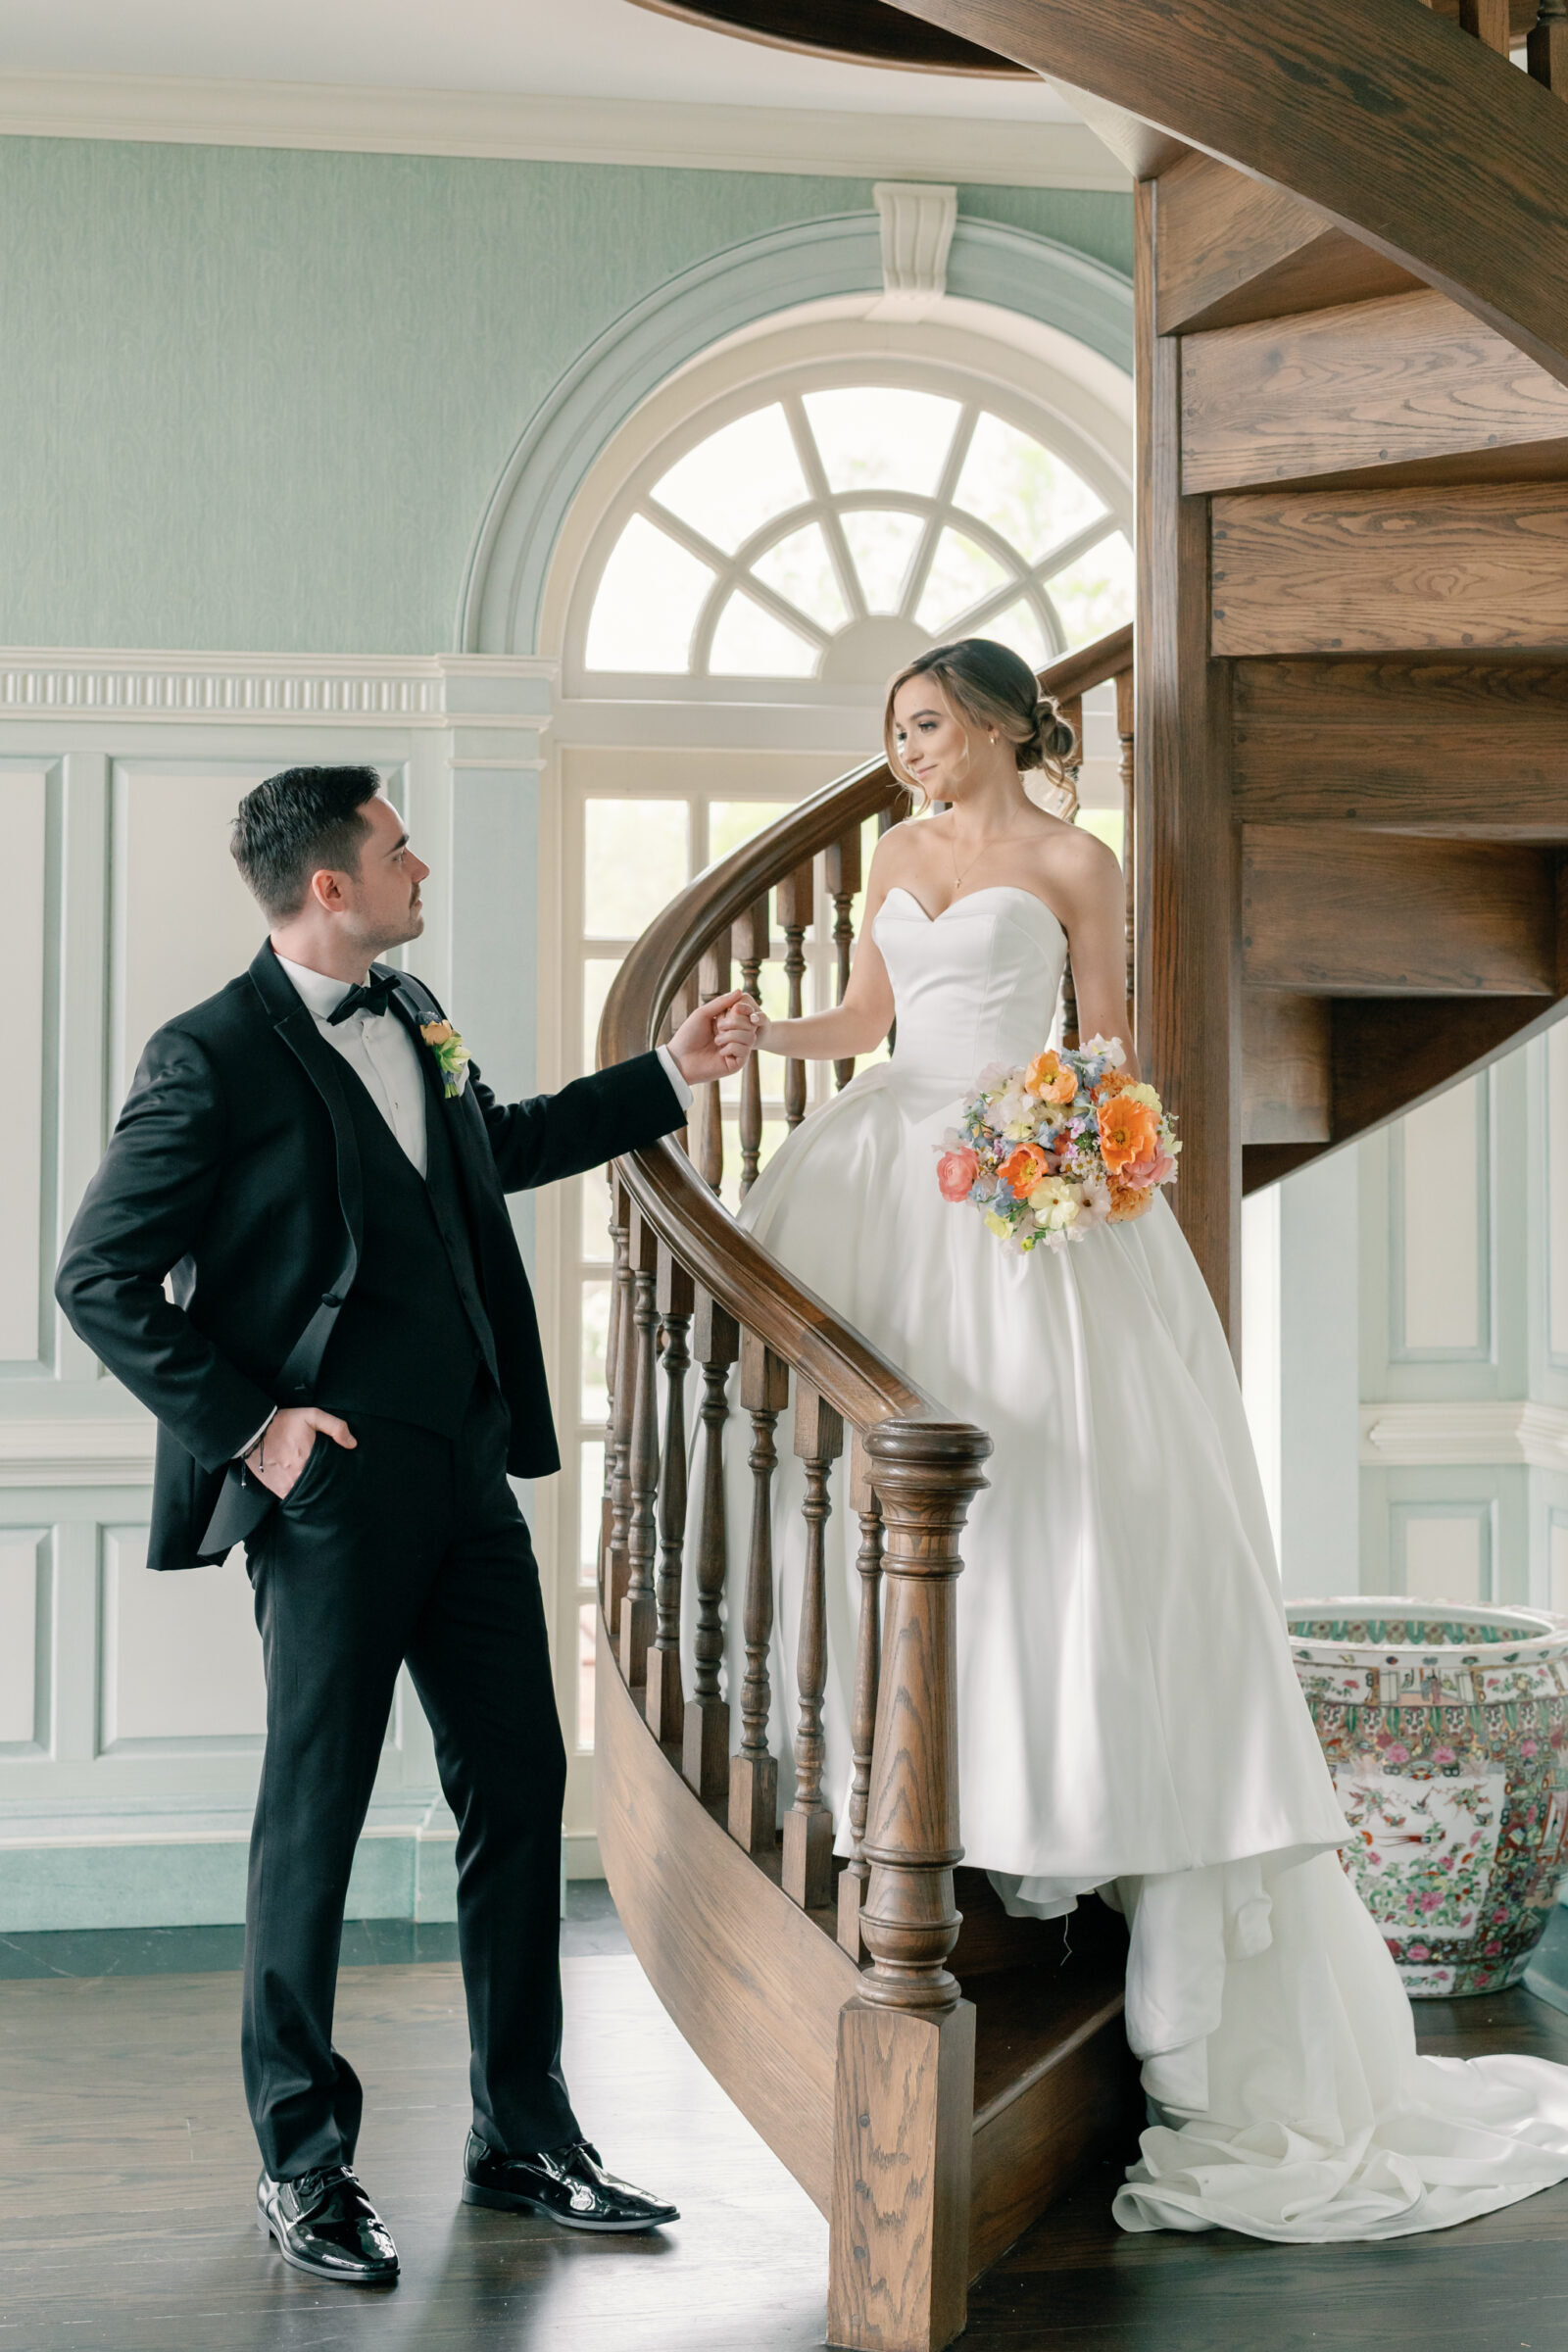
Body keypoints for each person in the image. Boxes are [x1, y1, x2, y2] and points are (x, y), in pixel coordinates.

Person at [709, 638, 1568, 2241]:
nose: (905, 752)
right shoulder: (896, 853)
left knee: (1062, 1497)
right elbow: (869, 1021)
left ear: (995, 727)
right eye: (892, 731)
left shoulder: (1075, 859)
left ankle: (1063, 1782)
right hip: (892, 1168)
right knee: (873, 1472)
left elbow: (1101, 1044)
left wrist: (1072, 1144)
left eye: (927, 724)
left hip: (1019, 1181)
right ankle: (923, 1761)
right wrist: (781, 1046)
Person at [55, 765, 755, 2287]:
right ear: (327, 885)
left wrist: (663, 1078)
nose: (419, 864)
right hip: (332, 1494)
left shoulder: (414, 1004)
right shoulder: (210, 1055)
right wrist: (259, 1428)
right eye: (396, 846)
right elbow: (97, 1281)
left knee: (519, 1781)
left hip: (467, 1472)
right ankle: (303, 2163)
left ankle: (524, 2131)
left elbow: (481, 1149)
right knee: (316, 1813)